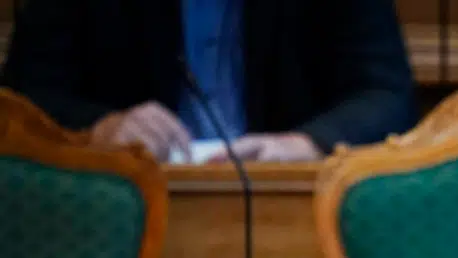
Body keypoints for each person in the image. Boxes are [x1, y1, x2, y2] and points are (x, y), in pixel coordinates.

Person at [0, 0, 415, 161]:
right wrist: (100, 128)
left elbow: (386, 94)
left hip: (289, 213)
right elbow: (24, 99)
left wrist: (305, 144)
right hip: (123, 216)